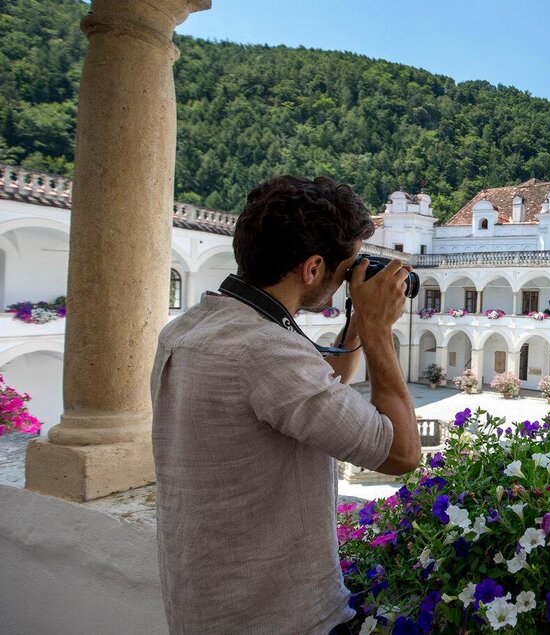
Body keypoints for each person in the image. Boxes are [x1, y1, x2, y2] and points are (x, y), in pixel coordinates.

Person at [151, 176, 421, 634]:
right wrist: (378, 328)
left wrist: (358, 321)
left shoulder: (189, 328)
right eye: (345, 269)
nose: (347, 281)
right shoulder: (265, 352)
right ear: (313, 268)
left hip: (206, 606)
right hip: (282, 618)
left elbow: (317, 393)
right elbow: (400, 453)